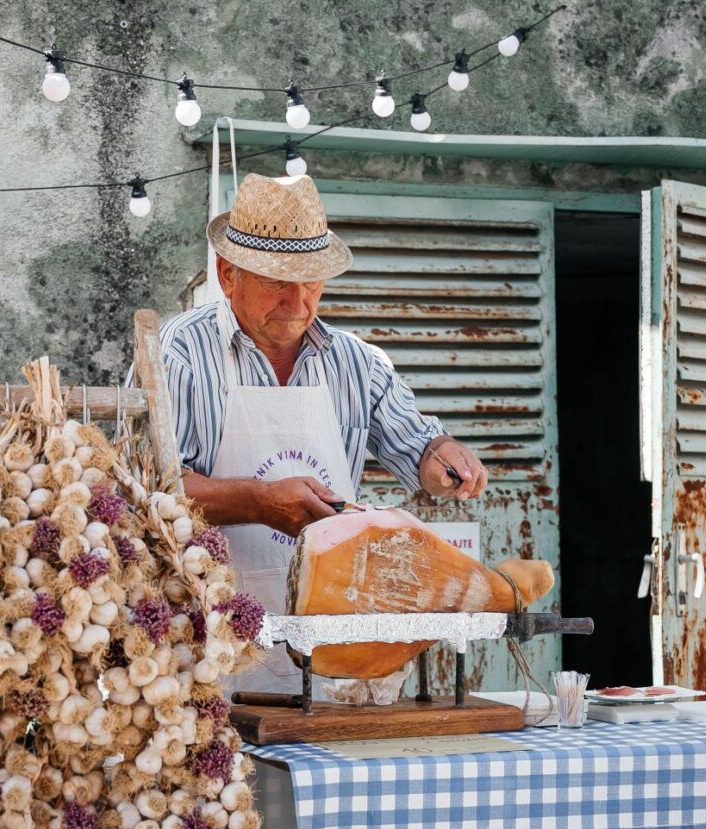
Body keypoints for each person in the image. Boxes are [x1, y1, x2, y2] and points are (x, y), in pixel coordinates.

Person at [161, 172, 487, 694]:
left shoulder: (359, 364)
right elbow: (150, 492)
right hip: (207, 646)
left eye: (310, 282)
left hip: (334, 644)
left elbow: (421, 448)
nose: (297, 302)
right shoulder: (178, 353)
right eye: (276, 282)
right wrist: (256, 501)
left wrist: (443, 457)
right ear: (228, 275)